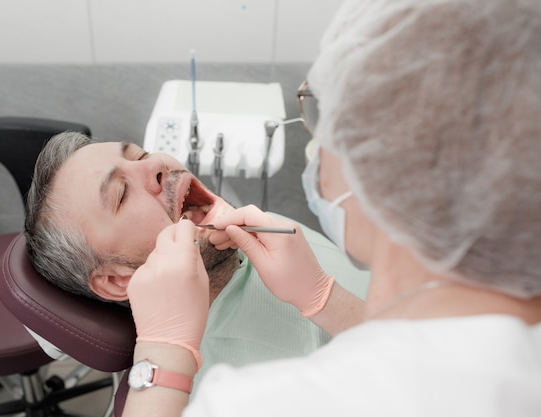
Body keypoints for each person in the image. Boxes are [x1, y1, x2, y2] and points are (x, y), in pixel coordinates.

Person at [122, 0, 541, 415]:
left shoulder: (263, 405)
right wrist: (323, 299)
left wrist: (160, 358)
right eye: (119, 194)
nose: (155, 165)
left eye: (326, 116)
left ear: (384, 167)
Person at [24, 132, 370, 392]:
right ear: (119, 280)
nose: (155, 164)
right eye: (121, 194)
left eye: (139, 154)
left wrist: (324, 298)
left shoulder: (269, 230)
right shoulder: (223, 392)